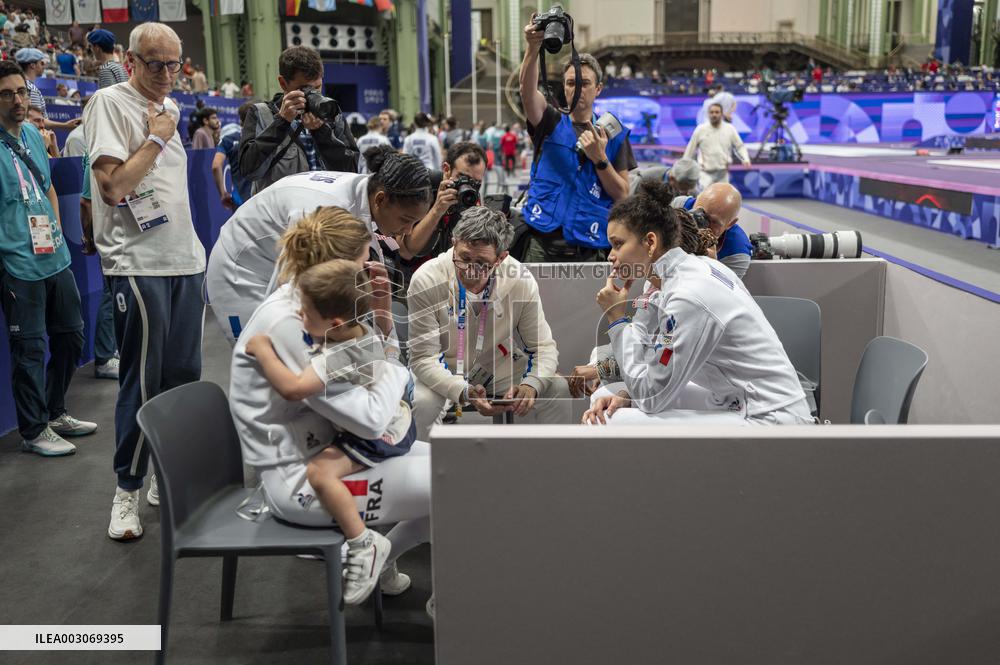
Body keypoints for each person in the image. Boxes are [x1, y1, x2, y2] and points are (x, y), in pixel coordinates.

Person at [230, 209, 430, 604]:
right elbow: (372, 419)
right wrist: (398, 374)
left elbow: (372, 367)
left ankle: (380, 557)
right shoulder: (295, 324)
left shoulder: (321, 307)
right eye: (362, 261)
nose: (368, 269)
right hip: (301, 479)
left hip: (331, 446)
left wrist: (383, 317)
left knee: (464, 465)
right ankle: (457, 608)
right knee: (461, 485)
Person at [84, 22, 207, 541]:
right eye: (153, 63)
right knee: (141, 382)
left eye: (173, 64)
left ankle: (164, 475)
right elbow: (113, 188)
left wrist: (163, 127)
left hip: (185, 260)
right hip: (137, 263)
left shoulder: (174, 108)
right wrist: (155, 137)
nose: (164, 74)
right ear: (130, 60)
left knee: (182, 382)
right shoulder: (110, 103)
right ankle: (126, 492)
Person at [581, 180, 812, 426]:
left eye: (618, 244)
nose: (610, 255)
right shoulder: (669, 276)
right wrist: (625, 392)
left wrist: (616, 319)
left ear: (650, 243)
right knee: (607, 395)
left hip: (770, 419)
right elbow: (644, 347)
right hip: (735, 398)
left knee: (610, 421)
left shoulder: (687, 295)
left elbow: (652, 396)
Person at [205, 146, 432, 342]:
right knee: (267, 356)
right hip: (240, 272)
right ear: (381, 199)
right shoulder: (320, 211)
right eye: (405, 220)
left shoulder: (367, 192)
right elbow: (291, 290)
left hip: (274, 258)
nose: (408, 231)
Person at [407, 207, 572, 440]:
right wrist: (463, 390)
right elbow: (424, 359)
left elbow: (543, 347)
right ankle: (422, 473)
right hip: (442, 367)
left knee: (556, 388)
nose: (470, 270)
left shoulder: (520, 279)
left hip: (496, 364)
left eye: (482, 262)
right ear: (454, 243)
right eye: (464, 258)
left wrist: (531, 384)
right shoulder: (426, 279)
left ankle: (556, 468)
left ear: (501, 258)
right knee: (423, 403)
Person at [0, 59, 96, 457]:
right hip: (17, 264)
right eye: (7, 94)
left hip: (53, 256)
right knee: (30, 350)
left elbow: (49, 188)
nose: (17, 100)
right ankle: (34, 429)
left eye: (21, 91)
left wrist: (56, 231)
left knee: (72, 336)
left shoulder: (34, 137)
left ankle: (56, 412)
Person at [518, 22, 636, 263]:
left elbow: (622, 195)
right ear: (564, 86)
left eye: (585, 83)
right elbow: (527, 91)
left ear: (598, 89)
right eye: (572, 83)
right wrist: (532, 47)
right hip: (541, 240)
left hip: (589, 246)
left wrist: (600, 160)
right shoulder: (549, 121)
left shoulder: (614, 135)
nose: (578, 89)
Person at [239, 46, 359, 195]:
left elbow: (352, 172)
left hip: (327, 213)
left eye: (318, 87)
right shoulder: (261, 114)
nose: (313, 94)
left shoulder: (331, 112)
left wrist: (322, 133)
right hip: (281, 214)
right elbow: (250, 171)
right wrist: (281, 122)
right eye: (305, 89)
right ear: (283, 83)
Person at [398, 141, 488, 266]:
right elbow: (406, 251)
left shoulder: (471, 196)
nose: (468, 186)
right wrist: (437, 210)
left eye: (476, 182)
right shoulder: (421, 187)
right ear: (446, 169)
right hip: (412, 272)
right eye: (462, 178)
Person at [673, 182, 751, 279]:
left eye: (713, 221)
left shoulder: (737, 252)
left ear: (730, 224)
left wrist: (711, 266)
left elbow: (717, 292)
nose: (699, 221)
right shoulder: (679, 206)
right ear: (696, 200)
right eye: (696, 212)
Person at [683, 103, 750, 189]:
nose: (714, 114)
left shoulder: (730, 129)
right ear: (708, 114)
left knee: (722, 200)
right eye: (712, 112)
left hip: (723, 173)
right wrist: (683, 168)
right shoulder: (700, 129)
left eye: (717, 112)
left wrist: (745, 158)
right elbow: (690, 150)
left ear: (721, 114)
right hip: (705, 174)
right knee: (705, 200)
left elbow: (740, 146)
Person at [14, 48, 81, 133]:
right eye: (42, 63)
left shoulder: (27, 85)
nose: (44, 66)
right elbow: (36, 120)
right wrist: (65, 125)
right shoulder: (28, 87)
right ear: (32, 65)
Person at [212, 101, 253, 210]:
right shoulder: (266, 137)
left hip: (240, 199)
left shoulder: (228, 139)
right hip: (264, 197)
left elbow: (216, 165)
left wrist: (223, 193)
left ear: (241, 121)